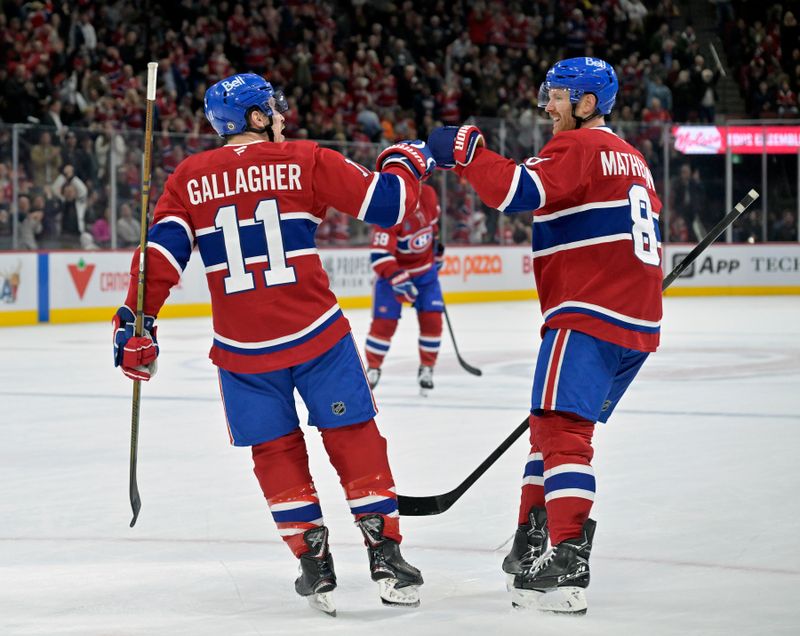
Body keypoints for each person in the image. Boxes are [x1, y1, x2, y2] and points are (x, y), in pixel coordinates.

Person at [112, 73, 435, 615]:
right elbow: (391, 206)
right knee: (353, 432)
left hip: (242, 348)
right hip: (317, 335)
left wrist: (135, 319)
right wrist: (405, 157)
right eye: (272, 109)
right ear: (257, 118)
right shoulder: (306, 158)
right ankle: (384, 550)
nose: (281, 116)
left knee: (274, 450)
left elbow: (161, 256)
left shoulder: (188, 176)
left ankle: (313, 559)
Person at [428, 57, 663, 615]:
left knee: (562, 433)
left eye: (558, 96)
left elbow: (516, 191)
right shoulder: (633, 159)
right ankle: (532, 541)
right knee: (551, 429)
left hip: (587, 313)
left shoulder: (578, 148)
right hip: (634, 324)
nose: (547, 106)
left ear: (587, 104)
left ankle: (567, 557)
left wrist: (466, 152)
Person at [364, 178, 445, 394]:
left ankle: (427, 367)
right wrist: (398, 278)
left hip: (425, 273)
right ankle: (373, 368)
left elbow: (434, 227)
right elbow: (380, 255)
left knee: (433, 319)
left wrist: (438, 251)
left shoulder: (428, 194)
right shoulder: (388, 207)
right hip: (394, 277)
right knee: (384, 324)